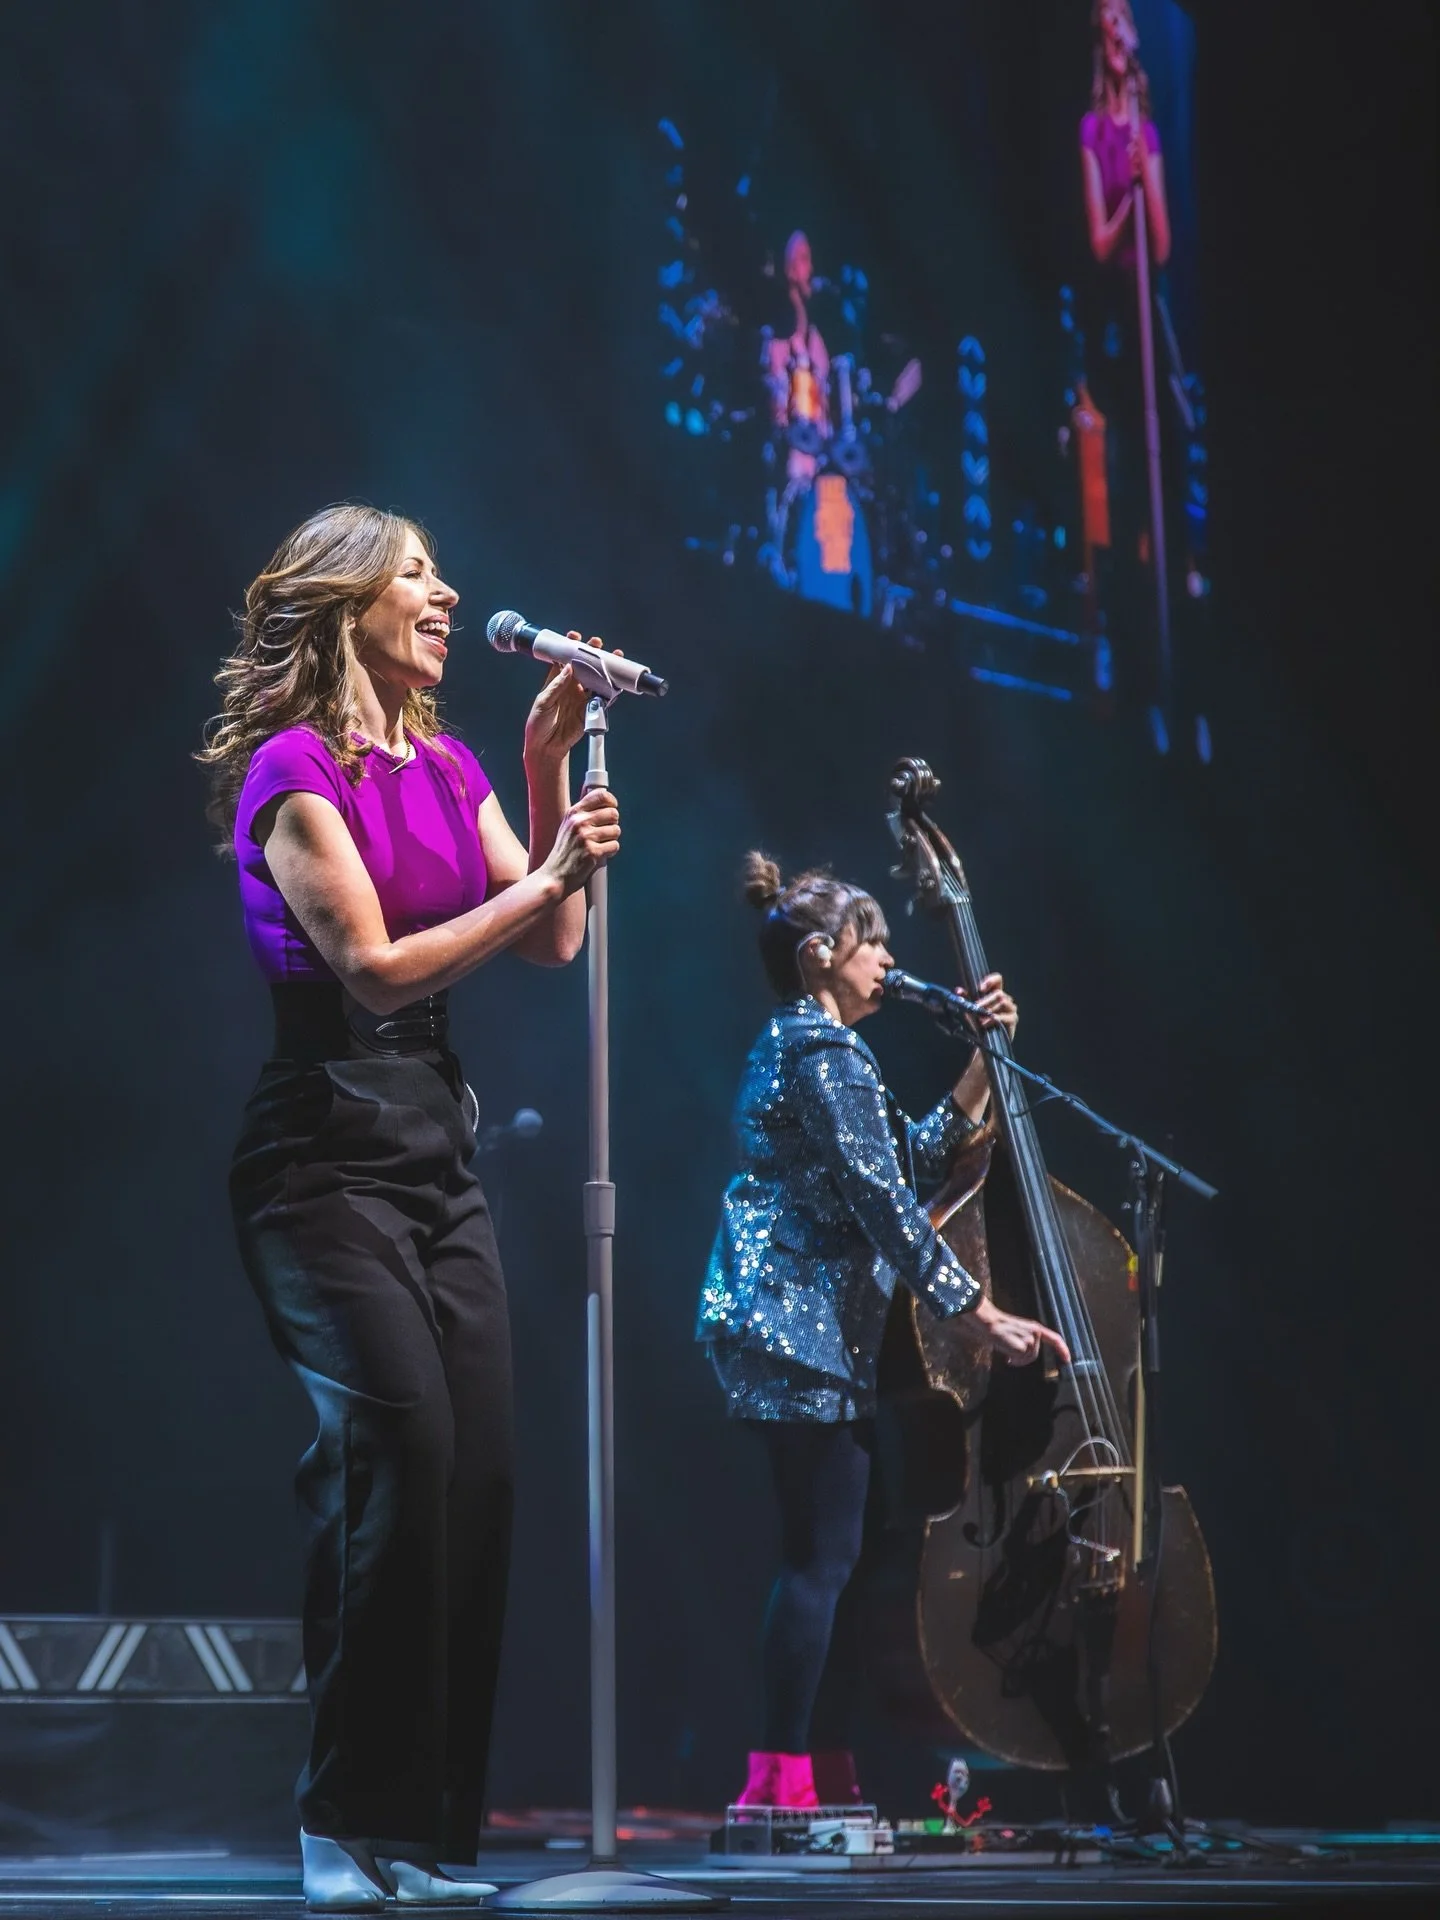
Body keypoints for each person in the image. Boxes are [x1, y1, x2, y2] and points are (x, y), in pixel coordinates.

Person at [198, 503, 621, 1910]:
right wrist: (547, 877)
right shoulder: (294, 768)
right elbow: (374, 972)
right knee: (397, 1445)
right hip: (320, 1154)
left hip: (436, 1148)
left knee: (478, 1470)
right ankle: (342, 1822)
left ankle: (421, 1834)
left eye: (443, 578)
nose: (445, 598)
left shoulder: (449, 765)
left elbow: (556, 937)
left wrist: (543, 770)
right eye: (417, 578)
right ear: (346, 604)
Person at [696, 856, 1069, 1809]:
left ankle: (819, 1770)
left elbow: (912, 1158)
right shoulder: (819, 1054)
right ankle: (777, 1782)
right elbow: (887, 1205)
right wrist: (978, 1314)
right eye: (878, 945)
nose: (891, 964)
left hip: (817, 1331)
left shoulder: (823, 1052)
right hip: (794, 1329)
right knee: (821, 1559)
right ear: (822, 954)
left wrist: (985, 1062)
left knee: (843, 1560)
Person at [1079, 0, 1175, 715]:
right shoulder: (1092, 132)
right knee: (1116, 475)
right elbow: (1100, 241)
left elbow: (1162, 245)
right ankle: (1121, 648)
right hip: (1113, 321)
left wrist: (1148, 179)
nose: (1117, 27)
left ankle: (1171, 635)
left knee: (1162, 464)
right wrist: (1127, 196)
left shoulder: (1148, 132)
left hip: (1149, 315)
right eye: (1108, 17)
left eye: (1125, 17)